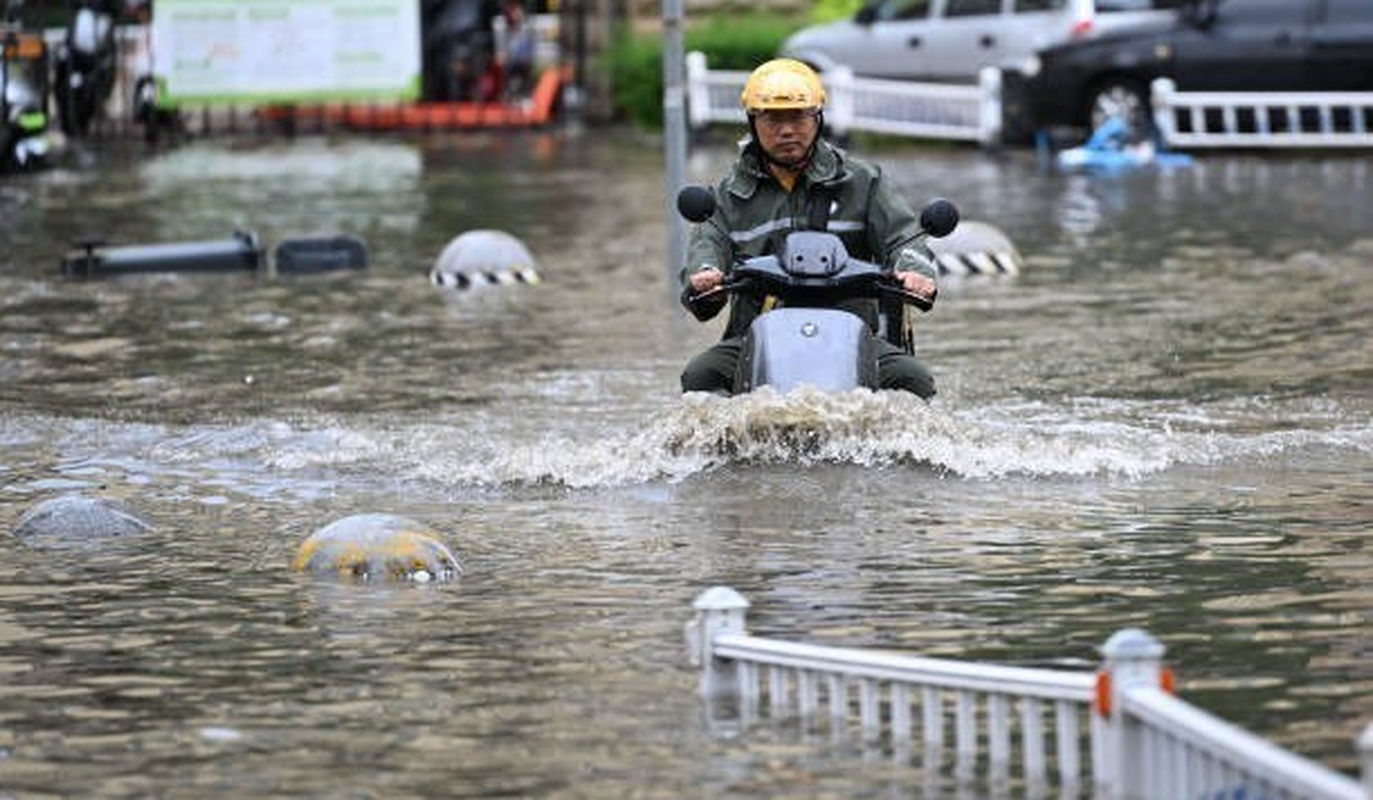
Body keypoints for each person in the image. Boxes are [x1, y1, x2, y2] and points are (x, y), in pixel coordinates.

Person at [679, 58, 940, 398]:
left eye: (798, 116)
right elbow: (706, 246)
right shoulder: (728, 197)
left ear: (817, 118)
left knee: (913, 379)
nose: (787, 130)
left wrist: (913, 271)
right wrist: (706, 276)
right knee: (701, 376)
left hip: (852, 336)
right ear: (752, 122)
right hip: (754, 338)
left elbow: (904, 236)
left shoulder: (864, 181)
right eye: (773, 118)